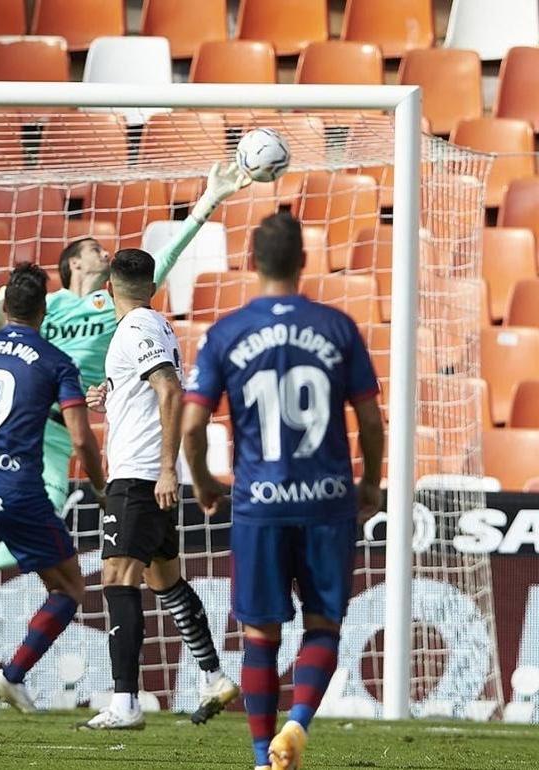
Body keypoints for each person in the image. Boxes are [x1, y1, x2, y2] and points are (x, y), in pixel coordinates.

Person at [181, 212, 385, 770]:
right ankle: (296, 725)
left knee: (259, 635)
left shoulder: (226, 332)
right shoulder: (338, 327)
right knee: (323, 624)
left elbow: (193, 426)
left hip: (259, 505)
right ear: (303, 261)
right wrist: (369, 482)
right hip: (327, 502)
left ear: (250, 263)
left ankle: (259, 756)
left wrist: (202, 485)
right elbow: (370, 419)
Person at [0, 163, 252, 572]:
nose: (105, 252)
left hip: (63, 428)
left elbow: (164, 259)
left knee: (43, 517)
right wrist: (2, 322)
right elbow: (22, 348)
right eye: (93, 249)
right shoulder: (47, 304)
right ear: (74, 264)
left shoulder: (114, 303)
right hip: (22, 419)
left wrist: (207, 202)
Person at [79, 249, 239, 731]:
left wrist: (168, 468)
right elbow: (153, 390)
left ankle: (125, 702)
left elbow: (170, 390)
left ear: (109, 288)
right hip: (145, 470)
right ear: (152, 285)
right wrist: (113, 396)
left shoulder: (137, 327)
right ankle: (213, 676)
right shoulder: (152, 325)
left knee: (117, 577)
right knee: (163, 580)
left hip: (141, 473)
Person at [0, 262, 107, 713]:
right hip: (18, 492)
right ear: (43, 312)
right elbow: (80, 437)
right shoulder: (57, 361)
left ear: (6, 307)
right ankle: (12, 676)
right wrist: (99, 486)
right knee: (69, 588)